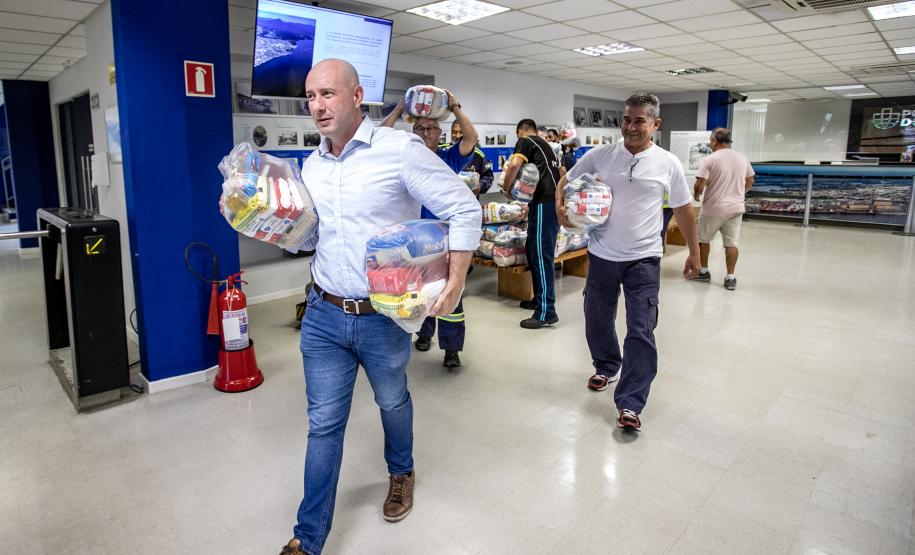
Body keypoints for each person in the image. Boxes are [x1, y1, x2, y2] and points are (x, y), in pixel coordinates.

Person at [281, 60, 481, 555]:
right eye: (310, 97)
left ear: (357, 95)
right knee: (323, 423)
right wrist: (275, 223)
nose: (317, 106)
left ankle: (401, 471)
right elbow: (308, 238)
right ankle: (308, 540)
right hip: (324, 312)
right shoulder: (313, 165)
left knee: (392, 401)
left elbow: (464, 207)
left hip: (383, 316)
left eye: (327, 93)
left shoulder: (401, 151)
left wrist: (455, 280)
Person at [557, 93, 700, 432]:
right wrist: (562, 211)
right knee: (596, 317)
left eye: (639, 121)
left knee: (641, 328)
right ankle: (606, 364)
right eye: (626, 119)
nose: (631, 127)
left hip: (644, 259)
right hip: (602, 254)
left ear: (655, 124)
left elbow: (683, 209)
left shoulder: (668, 163)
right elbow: (566, 179)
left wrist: (695, 252)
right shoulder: (600, 156)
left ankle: (631, 403)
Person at [380, 92, 479, 369]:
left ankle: (451, 349)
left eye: (431, 128)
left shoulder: (448, 158)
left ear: (440, 133)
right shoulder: (401, 159)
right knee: (418, 291)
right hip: (412, 242)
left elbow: (471, 138)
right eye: (420, 128)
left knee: (450, 296)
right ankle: (423, 334)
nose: (426, 133)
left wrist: (455, 106)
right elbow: (379, 137)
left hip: (445, 242)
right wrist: (400, 107)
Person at [500, 118, 562, 329]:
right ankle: (538, 300)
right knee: (533, 251)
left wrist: (507, 189)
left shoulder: (526, 140)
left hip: (545, 203)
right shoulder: (545, 145)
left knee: (541, 254)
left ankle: (546, 311)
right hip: (545, 203)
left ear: (520, 132)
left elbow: (515, 165)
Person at [691, 128, 755, 290]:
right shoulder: (742, 158)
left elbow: (700, 183)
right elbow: (750, 180)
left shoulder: (710, 159)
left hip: (713, 208)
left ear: (714, 141)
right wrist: (740, 193)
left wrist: (697, 194)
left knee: (703, 240)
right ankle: (730, 277)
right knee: (731, 243)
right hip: (736, 208)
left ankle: (704, 272)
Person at [450, 120, 494, 195]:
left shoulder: (478, 154)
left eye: (461, 132)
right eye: (454, 132)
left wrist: (479, 186)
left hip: (469, 202)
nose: (457, 135)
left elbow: (488, 176)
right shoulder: (444, 152)